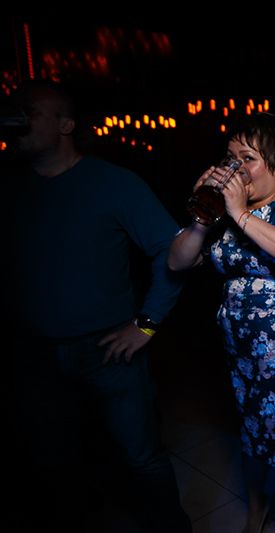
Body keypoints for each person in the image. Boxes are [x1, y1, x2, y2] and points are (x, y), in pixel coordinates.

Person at [6, 80, 191, 532]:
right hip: (32, 353)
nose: (18, 117)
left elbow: (173, 251)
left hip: (107, 349)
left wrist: (146, 324)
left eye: (30, 110)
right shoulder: (10, 187)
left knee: (142, 455)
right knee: (51, 460)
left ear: (65, 124)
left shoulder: (114, 183)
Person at [167, 112, 275, 533]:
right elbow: (177, 261)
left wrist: (242, 214)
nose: (236, 168)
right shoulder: (225, 210)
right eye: (230, 157)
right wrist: (203, 215)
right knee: (253, 442)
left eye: (248, 158)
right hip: (245, 355)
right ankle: (255, 511)